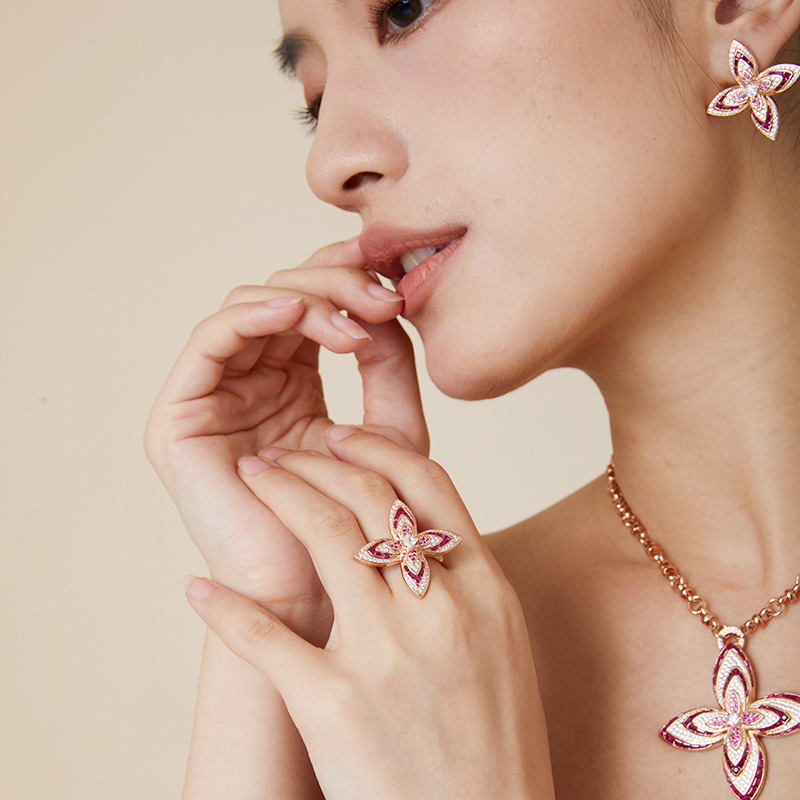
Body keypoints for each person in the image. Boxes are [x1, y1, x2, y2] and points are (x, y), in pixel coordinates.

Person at [144, 0, 800, 797]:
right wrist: (288, 608)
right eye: (315, 98)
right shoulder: (401, 671)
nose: (329, 163)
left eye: (404, 12)